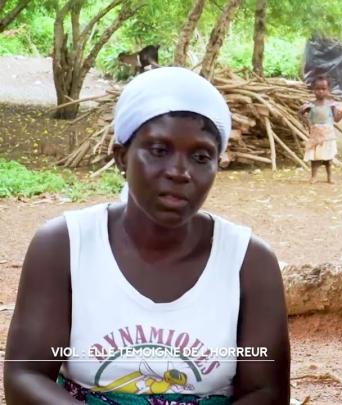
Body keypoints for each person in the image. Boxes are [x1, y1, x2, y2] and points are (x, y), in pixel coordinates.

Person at [4, 67, 290, 404]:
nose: (179, 172)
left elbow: (266, 392)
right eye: (158, 150)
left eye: (200, 157)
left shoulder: (248, 262)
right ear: (121, 157)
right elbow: (24, 375)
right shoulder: (65, 245)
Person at [299, 74, 342, 184]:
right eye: (318, 89)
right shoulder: (310, 105)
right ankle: (314, 176)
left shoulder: (331, 105)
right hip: (315, 136)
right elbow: (300, 113)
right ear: (313, 90)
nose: (320, 91)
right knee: (315, 157)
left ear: (328, 90)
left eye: (323, 89)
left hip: (328, 136)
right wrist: (306, 122)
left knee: (329, 157)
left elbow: (337, 119)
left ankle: (330, 177)